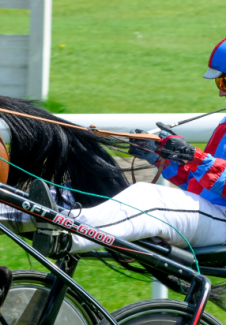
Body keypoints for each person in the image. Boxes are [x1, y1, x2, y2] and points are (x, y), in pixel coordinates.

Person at [32, 38, 226, 257]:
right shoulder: (224, 124)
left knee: (148, 198)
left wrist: (195, 157)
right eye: (219, 83)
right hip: (213, 215)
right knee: (107, 190)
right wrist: (164, 159)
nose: (220, 92)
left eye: (224, 82)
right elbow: (202, 186)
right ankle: (26, 213)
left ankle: (69, 233)